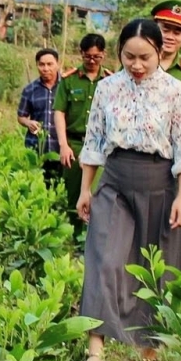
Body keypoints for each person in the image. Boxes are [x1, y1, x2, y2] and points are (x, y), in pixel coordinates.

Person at [73, 18, 181, 361]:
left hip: (160, 184)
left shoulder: (176, 92)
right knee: (103, 260)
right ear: (120, 53)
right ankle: (95, 353)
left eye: (145, 57)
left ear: (160, 52)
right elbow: (94, 141)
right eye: (129, 57)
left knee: (153, 266)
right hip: (115, 182)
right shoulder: (107, 88)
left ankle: (149, 354)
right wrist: (86, 188)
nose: (137, 65)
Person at [53, 33, 108, 228]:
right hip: (75, 144)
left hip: (102, 146)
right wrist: (64, 145)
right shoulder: (69, 80)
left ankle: (94, 236)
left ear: (104, 54)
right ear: (81, 54)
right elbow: (59, 112)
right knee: (74, 192)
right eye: (87, 57)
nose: (92, 61)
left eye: (96, 57)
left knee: (100, 193)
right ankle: (75, 238)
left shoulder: (110, 81)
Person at [16, 48, 63, 189]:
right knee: (37, 186)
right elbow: (21, 116)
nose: (45, 68)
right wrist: (28, 122)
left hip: (61, 148)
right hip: (36, 148)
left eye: (50, 64)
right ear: (37, 65)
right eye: (42, 64)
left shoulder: (66, 87)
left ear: (58, 64)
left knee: (60, 186)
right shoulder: (29, 90)